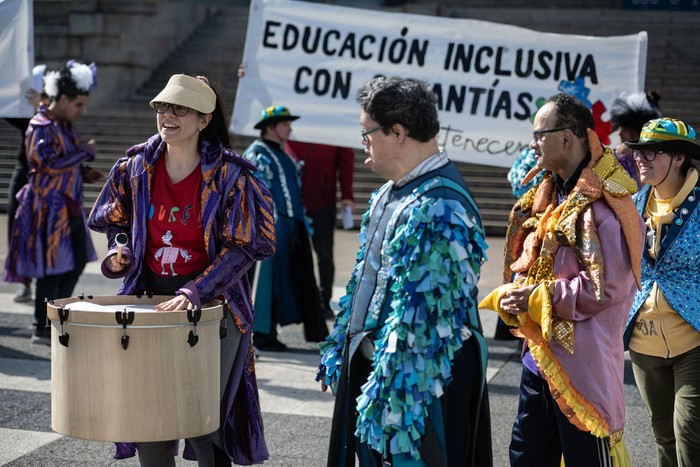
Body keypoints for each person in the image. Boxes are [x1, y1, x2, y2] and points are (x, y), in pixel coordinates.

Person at [88, 74, 275, 466]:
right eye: (162, 107)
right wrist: (120, 249)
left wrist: (196, 291)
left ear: (204, 119)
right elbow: (116, 221)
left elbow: (245, 248)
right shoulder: (135, 166)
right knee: (149, 419)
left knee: (202, 419)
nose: (167, 115)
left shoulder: (230, 176)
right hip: (149, 304)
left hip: (215, 309)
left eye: (179, 108)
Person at [317, 76, 492, 466]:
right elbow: (367, 277)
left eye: (367, 132)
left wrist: (391, 392)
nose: (362, 141)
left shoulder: (442, 205)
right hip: (381, 374)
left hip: (417, 390)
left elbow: (426, 326)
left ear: (397, 132)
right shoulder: (391, 191)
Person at [479, 92, 645, 466]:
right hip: (537, 361)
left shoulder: (609, 202)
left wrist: (541, 296)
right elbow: (533, 265)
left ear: (568, 137)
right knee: (526, 458)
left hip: (582, 368)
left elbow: (611, 289)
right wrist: (518, 292)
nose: (533, 143)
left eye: (540, 134)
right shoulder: (548, 193)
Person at [3, 60, 101, 345]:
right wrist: (84, 153)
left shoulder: (64, 125)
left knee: (77, 261)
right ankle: (41, 325)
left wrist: (84, 172)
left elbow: (63, 163)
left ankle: (55, 314)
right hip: (46, 208)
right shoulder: (40, 125)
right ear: (63, 99)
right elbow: (46, 163)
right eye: (79, 104)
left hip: (67, 204)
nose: (81, 111)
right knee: (53, 265)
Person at [622, 118, 700, 467]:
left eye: (653, 152)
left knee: (689, 435)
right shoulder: (632, 204)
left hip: (693, 341)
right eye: (640, 151)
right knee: (664, 438)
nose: (642, 158)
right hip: (644, 344)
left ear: (680, 158)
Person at [244, 105, 328, 352]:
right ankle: (262, 334)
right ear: (270, 127)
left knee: (290, 280)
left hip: (293, 226)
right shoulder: (257, 154)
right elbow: (256, 194)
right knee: (268, 283)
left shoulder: (283, 155)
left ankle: (290, 330)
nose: (290, 128)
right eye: (285, 124)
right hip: (272, 228)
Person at [285, 140, 355, 318]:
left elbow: (346, 161)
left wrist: (347, 195)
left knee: (324, 255)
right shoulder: (294, 123)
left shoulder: (330, 125)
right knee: (292, 255)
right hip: (293, 203)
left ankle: (324, 301)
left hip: (323, 203)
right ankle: (297, 301)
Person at [4, 74, 47, 303]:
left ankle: (41, 284)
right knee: (17, 228)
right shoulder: (32, 113)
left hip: (43, 176)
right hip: (24, 171)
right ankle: (25, 283)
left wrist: (38, 107)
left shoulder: (51, 114)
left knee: (40, 230)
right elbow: (11, 113)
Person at [610, 91, 662, 188]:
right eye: (619, 128)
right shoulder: (614, 158)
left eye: (625, 129)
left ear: (639, 132)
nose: (619, 133)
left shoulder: (656, 159)